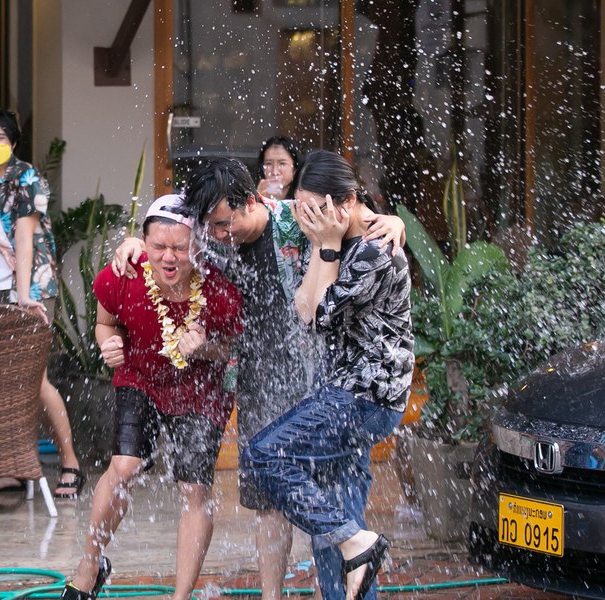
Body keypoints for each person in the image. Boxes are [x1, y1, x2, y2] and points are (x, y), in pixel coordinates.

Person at [113, 157, 405, 600]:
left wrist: (390, 220)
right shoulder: (207, 240)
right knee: (269, 500)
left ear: (252, 200)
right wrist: (133, 243)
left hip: (324, 385)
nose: (216, 236)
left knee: (335, 512)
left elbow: (352, 223)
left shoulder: (298, 219)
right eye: (208, 226)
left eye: (224, 224)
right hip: (257, 381)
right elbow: (165, 241)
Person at [242, 150, 414, 600]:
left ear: (347, 201)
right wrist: (325, 244)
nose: (308, 219)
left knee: (263, 455)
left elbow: (319, 317)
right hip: (342, 394)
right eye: (302, 209)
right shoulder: (332, 239)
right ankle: (355, 547)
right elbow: (304, 310)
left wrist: (328, 247)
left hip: (363, 399)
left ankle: (359, 543)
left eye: (316, 210)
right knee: (333, 527)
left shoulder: (375, 251)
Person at [62, 195, 243, 600]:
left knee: (194, 489)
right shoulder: (122, 275)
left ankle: (180, 597)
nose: (169, 257)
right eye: (159, 246)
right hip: (140, 375)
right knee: (124, 466)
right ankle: (91, 563)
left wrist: (207, 347)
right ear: (143, 243)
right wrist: (108, 344)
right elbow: (105, 323)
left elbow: (230, 347)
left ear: (196, 244)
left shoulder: (217, 288)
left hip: (201, 390)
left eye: (179, 247)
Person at [0, 108, 82, 498]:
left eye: (1, 138)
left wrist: (24, 293)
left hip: (32, 288)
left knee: (34, 377)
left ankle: (70, 463)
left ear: (12, 143)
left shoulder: (28, 178)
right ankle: (9, 465)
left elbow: (26, 239)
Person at [256, 136, 300, 200]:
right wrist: (258, 199)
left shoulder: (302, 199)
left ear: (295, 168)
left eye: (282, 163)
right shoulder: (254, 198)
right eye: (268, 163)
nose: (274, 172)